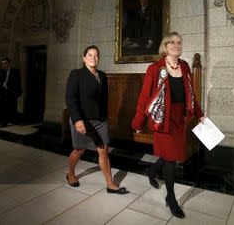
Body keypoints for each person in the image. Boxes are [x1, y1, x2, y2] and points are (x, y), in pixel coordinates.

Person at [131, 32, 205, 218]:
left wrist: (199, 114)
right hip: (163, 118)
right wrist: (138, 122)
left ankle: (152, 171)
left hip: (180, 118)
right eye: (172, 42)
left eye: (179, 42)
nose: (176, 45)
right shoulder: (155, 68)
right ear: (165, 46)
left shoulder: (185, 66)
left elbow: (191, 94)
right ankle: (170, 198)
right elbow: (144, 97)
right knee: (171, 158)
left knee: (170, 154)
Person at [65, 45, 129, 194]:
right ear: (84, 58)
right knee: (80, 150)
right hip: (82, 119)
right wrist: (77, 119)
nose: (93, 58)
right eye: (90, 55)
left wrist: (105, 118)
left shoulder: (102, 75)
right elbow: (70, 98)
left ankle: (110, 184)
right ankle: (71, 173)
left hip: (99, 121)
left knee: (103, 151)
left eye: (96, 55)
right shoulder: (76, 74)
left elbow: (104, 99)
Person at [0, 57, 22, 127]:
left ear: (9, 63)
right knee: (3, 107)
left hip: (12, 92)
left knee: (12, 107)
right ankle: (4, 122)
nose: (3, 65)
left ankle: (14, 120)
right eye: (2, 64)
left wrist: (18, 92)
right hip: (4, 92)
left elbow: (18, 82)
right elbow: (1, 81)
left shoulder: (15, 71)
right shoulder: (2, 72)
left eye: (5, 63)